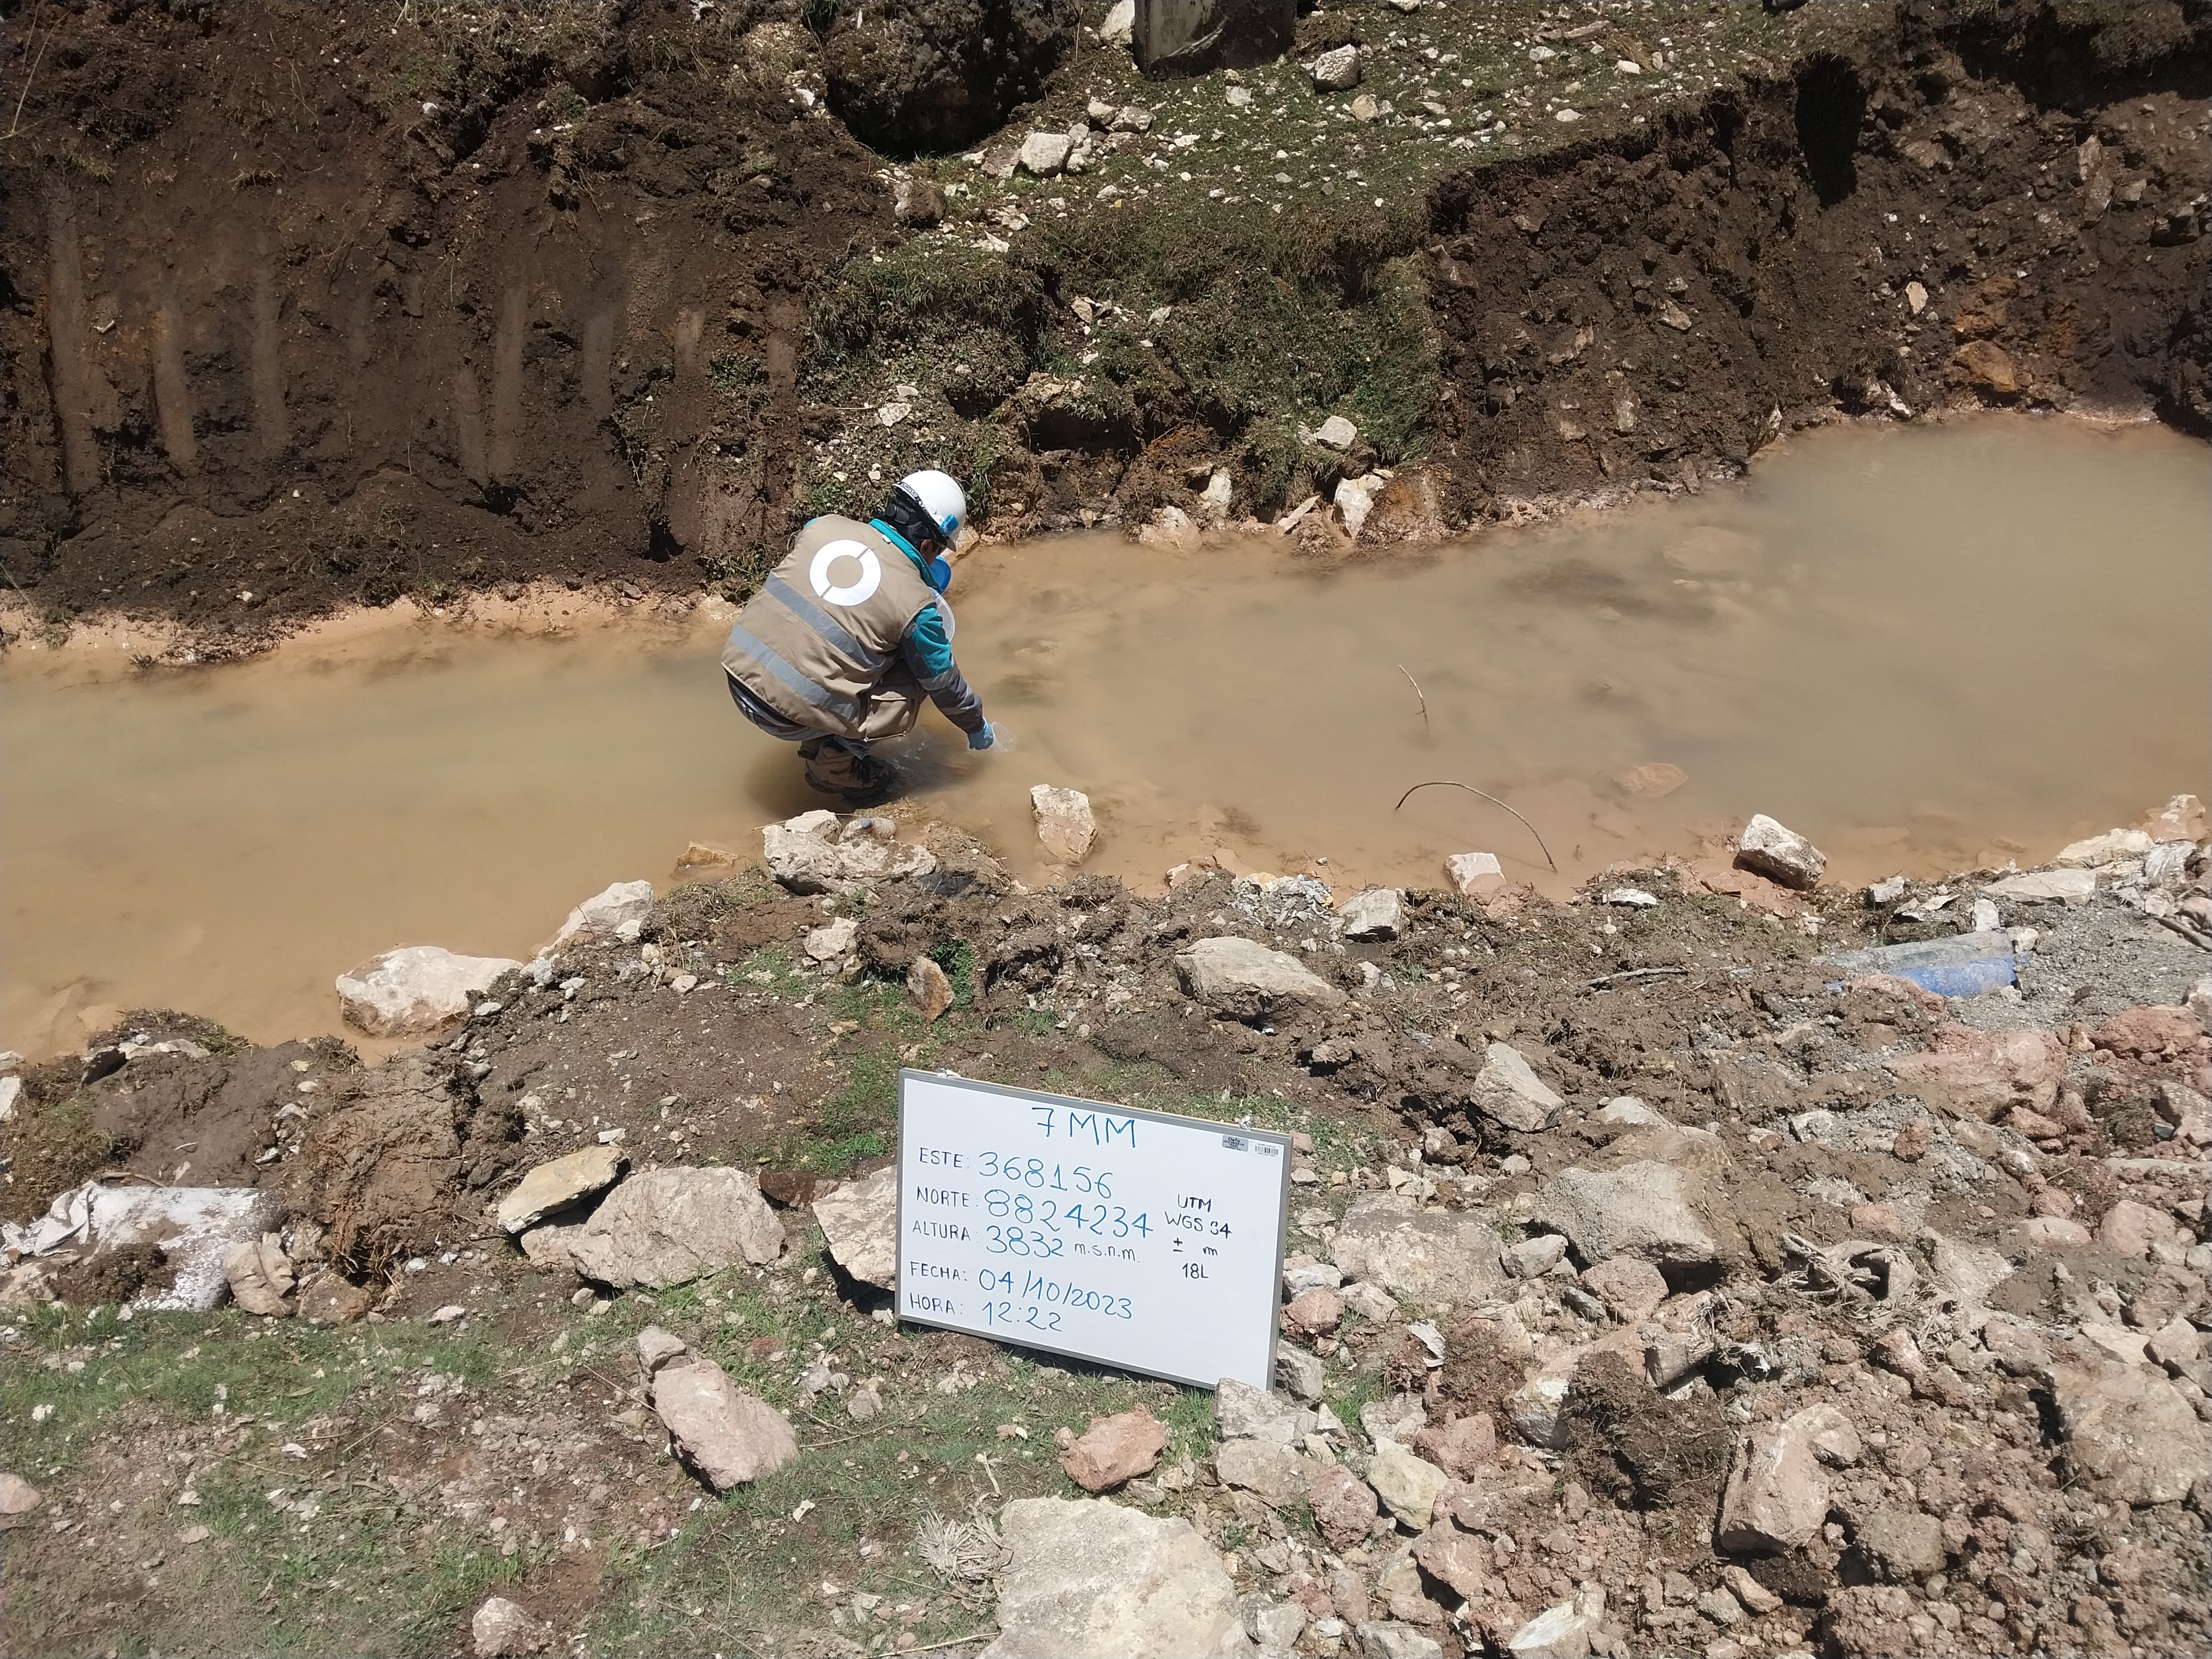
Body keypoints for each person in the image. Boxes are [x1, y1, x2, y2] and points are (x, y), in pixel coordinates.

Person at [721, 469, 995, 805]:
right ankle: (834, 765)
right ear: (926, 545)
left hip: (737, 674)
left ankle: (821, 735)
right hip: (785, 717)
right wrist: (975, 725)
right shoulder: (916, 606)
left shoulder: (821, 527)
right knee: (921, 673)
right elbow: (946, 686)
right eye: (937, 551)